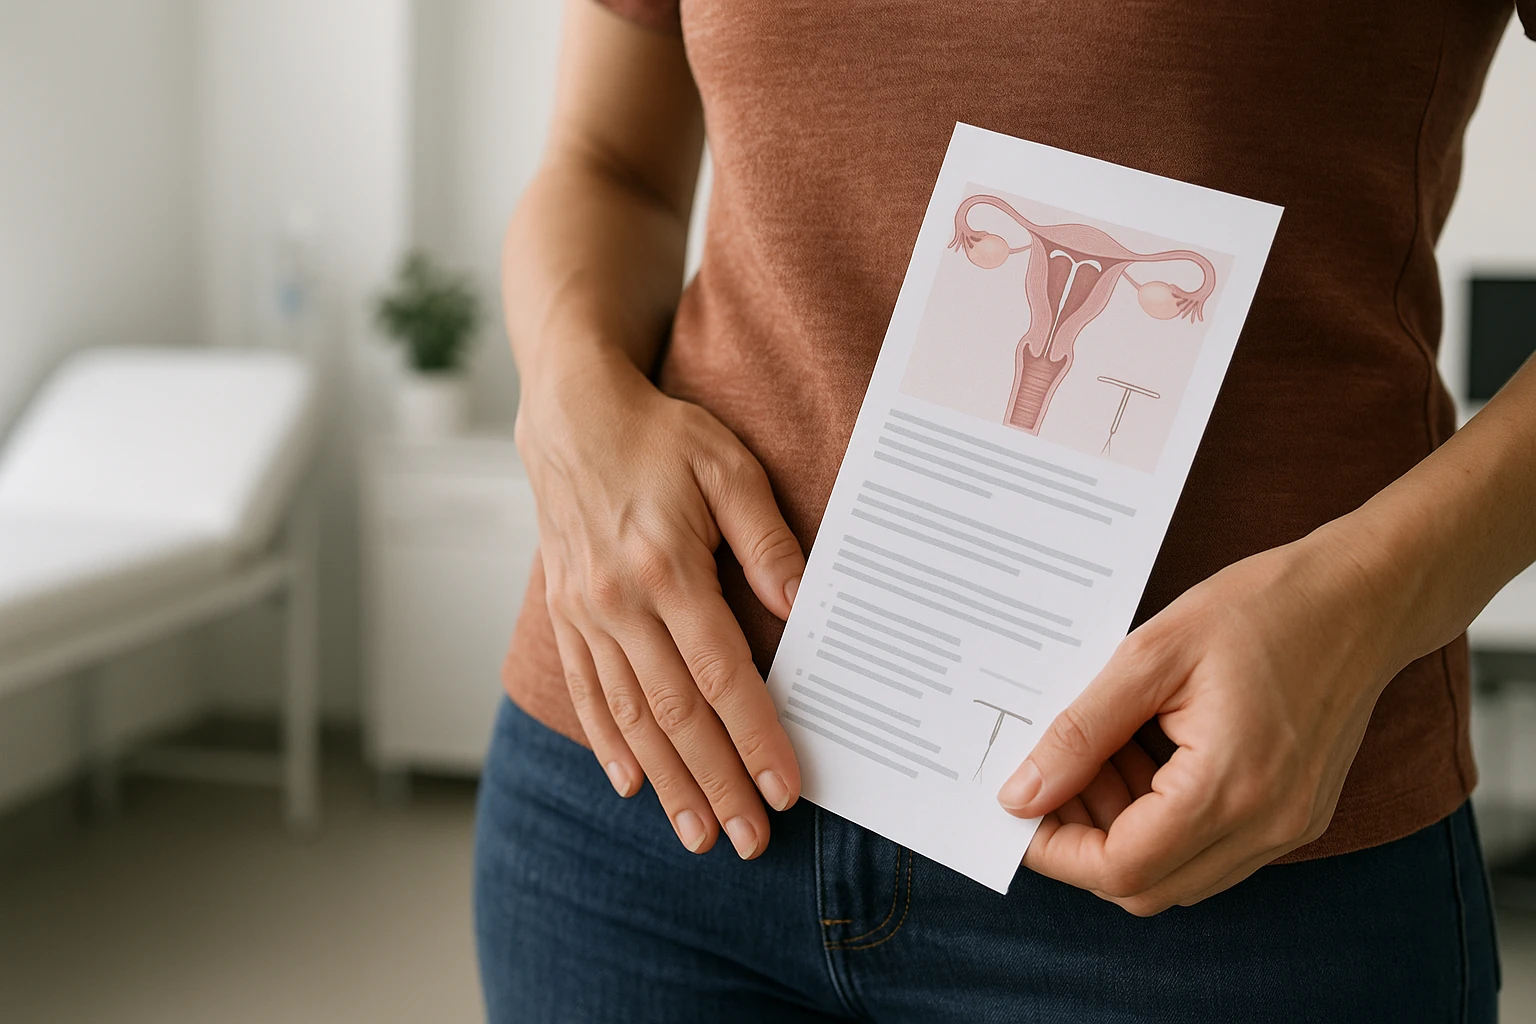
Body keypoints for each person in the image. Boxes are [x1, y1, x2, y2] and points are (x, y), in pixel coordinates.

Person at [475, 1, 1536, 1019]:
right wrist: (566, 398)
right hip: (653, 771)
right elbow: (607, 167)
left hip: (1203, 863)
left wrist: (1361, 610)